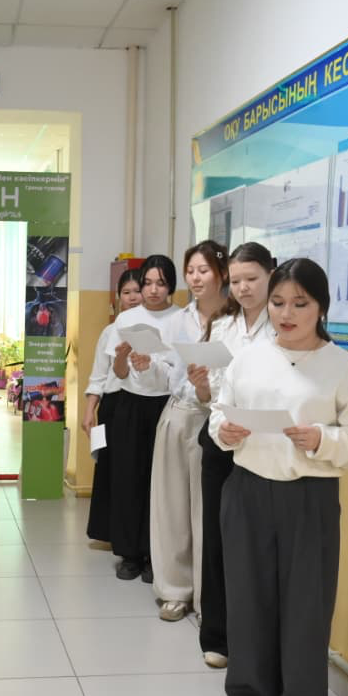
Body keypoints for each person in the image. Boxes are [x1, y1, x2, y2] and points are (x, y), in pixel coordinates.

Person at [208, 257, 348, 696]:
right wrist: (225, 430)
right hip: (247, 489)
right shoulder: (249, 358)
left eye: (300, 304)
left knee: (306, 603)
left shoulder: (342, 366)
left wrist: (322, 438)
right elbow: (219, 413)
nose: (286, 314)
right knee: (248, 596)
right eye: (279, 303)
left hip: (309, 497)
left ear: (321, 306)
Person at [192, 242, 276, 668]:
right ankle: (217, 635)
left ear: (272, 274)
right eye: (237, 280)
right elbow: (210, 397)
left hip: (266, 445)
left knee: (260, 543)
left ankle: (257, 637)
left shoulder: (284, 326)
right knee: (217, 537)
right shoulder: (222, 326)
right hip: (220, 440)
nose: (243, 288)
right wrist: (201, 385)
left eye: (252, 279)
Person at [147, 241, 231, 623]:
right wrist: (147, 364)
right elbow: (167, 373)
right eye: (190, 271)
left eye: (204, 270)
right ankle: (174, 591)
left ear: (222, 273)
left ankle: (206, 596)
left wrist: (208, 388)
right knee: (171, 507)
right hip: (178, 413)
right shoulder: (177, 321)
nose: (195, 278)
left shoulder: (236, 321)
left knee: (206, 512)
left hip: (214, 420)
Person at [107, 255, 180, 581]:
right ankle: (130, 554)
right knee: (128, 478)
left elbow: (180, 371)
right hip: (130, 405)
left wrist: (153, 364)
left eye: (160, 283)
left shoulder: (181, 319)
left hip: (165, 405)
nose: (152, 290)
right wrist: (123, 359)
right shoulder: (127, 318)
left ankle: (155, 555)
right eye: (147, 283)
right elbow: (119, 373)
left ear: (171, 286)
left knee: (162, 483)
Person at [83, 269, 144, 546]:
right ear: (119, 297)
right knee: (110, 471)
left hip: (141, 406)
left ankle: (133, 536)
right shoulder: (110, 331)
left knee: (133, 473)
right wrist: (89, 411)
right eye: (126, 292)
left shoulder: (156, 331)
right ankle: (109, 531)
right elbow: (98, 376)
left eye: (137, 291)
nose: (132, 297)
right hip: (112, 406)